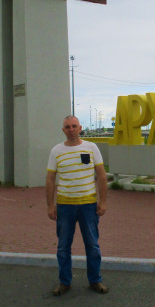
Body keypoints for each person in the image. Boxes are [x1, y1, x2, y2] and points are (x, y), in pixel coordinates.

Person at [45, 115, 108, 296]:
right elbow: (50, 179)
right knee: (63, 246)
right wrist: (50, 205)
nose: (71, 130)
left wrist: (102, 201)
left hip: (88, 205)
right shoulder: (56, 151)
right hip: (65, 206)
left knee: (92, 245)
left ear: (80, 128)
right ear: (62, 130)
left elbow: (101, 175)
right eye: (67, 127)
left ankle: (95, 280)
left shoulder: (91, 148)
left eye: (74, 126)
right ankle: (65, 282)